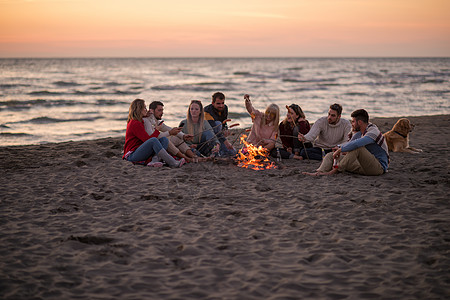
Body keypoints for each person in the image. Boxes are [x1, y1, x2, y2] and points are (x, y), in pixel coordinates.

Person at [304, 109, 389, 176]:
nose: (351, 124)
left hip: (378, 168)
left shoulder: (373, 131)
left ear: (359, 122)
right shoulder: (360, 132)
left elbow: (357, 144)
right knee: (330, 155)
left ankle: (334, 171)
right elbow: (350, 143)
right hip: (362, 165)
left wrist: (340, 150)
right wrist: (339, 149)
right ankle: (319, 172)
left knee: (358, 149)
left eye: (353, 121)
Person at [122, 99, 185, 168]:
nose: (146, 110)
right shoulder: (135, 123)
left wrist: (149, 116)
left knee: (164, 140)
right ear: (139, 109)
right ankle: (173, 163)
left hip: (138, 150)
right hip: (132, 155)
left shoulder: (139, 121)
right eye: (145, 108)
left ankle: (154, 161)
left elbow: (150, 124)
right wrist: (156, 130)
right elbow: (148, 139)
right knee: (153, 140)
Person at [204, 92, 236, 157]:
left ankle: (221, 148)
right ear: (213, 103)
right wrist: (226, 141)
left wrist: (225, 129)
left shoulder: (225, 108)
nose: (221, 106)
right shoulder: (207, 111)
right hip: (208, 137)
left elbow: (224, 122)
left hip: (219, 136)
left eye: (222, 103)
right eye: (218, 103)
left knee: (233, 152)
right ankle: (216, 149)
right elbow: (214, 130)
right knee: (218, 124)